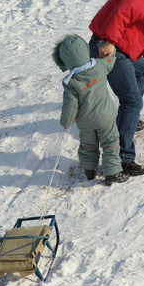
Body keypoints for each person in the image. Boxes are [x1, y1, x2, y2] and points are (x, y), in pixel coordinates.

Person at [52, 34, 129, 185]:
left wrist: (67, 121)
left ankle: (89, 170)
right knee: (111, 143)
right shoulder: (99, 66)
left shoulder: (71, 82)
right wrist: (108, 53)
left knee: (87, 145)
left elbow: (70, 105)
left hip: (85, 122)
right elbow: (110, 60)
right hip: (106, 117)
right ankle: (112, 173)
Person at [89, 0, 144, 176]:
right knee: (132, 101)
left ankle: (128, 121)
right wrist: (110, 40)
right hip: (109, 47)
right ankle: (123, 159)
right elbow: (122, 13)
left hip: (121, 47)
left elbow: (141, 24)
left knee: (143, 69)